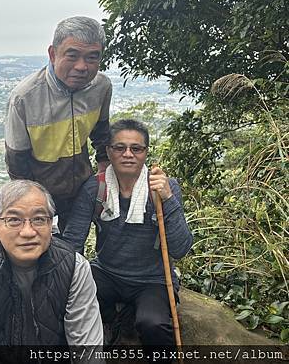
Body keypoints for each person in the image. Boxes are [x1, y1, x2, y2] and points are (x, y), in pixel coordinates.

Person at [64, 119, 193, 348]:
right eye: (119, 147)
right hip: (107, 273)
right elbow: (74, 240)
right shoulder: (96, 188)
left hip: (152, 280)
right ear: (108, 151)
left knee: (152, 324)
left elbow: (180, 248)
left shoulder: (162, 187)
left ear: (145, 153)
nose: (128, 154)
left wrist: (168, 199)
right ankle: (113, 320)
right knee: (72, 299)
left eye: (136, 148)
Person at [0, 179, 103, 363]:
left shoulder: (74, 267)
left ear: (50, 224)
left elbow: (87, 352)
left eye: (39, 219)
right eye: (14, 220)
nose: (28, 232)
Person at [4, 16, 112, 233]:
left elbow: (102, 135)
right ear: (53, 54)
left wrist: (105, 179)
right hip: (40, 190)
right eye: (72, 55)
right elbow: (17, 163)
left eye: (92, 57)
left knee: (73, 249)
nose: (82, 66)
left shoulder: (101, 87)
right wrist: (32, 205)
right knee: (41, 253)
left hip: (81, 186)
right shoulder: (25, 97)